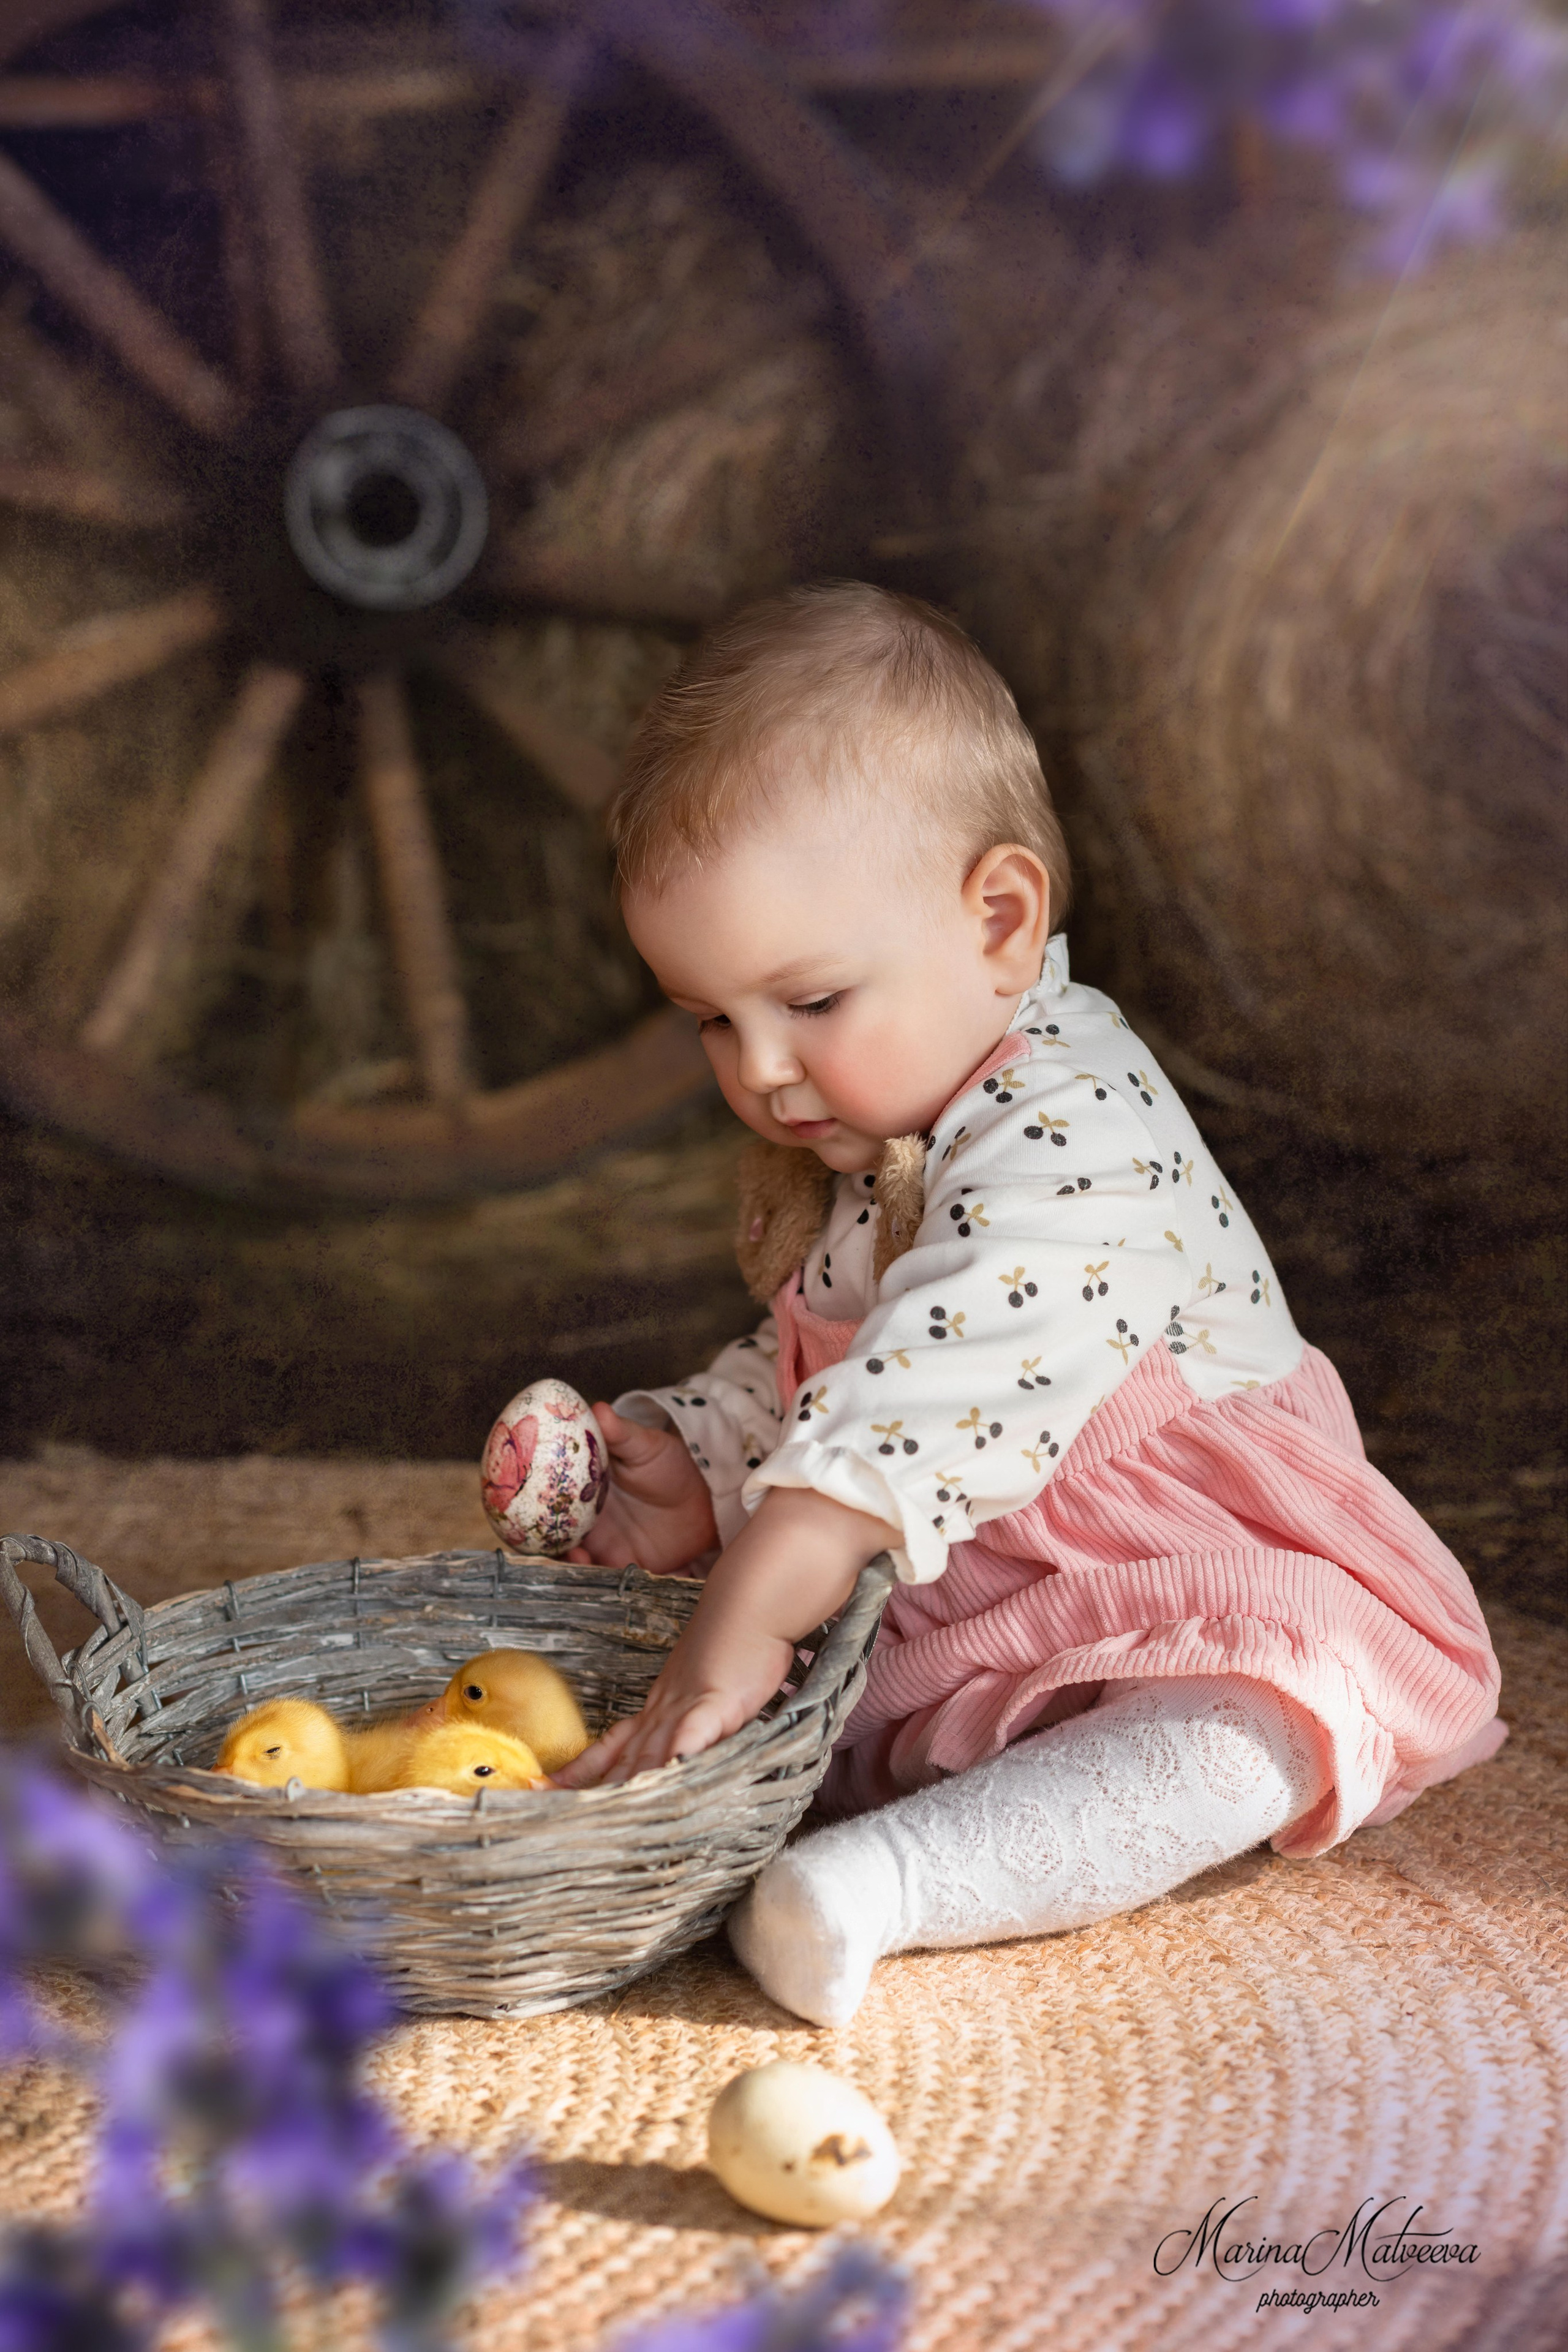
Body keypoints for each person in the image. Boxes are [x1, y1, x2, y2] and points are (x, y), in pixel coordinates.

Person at [554, 582, 1504, 2027]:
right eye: (710, 1020)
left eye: (807, 1002)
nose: (758, 1071)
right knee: (738, 1690)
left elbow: (938, 1376)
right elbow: (824, 1351)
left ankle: (886, 1889)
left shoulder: (1079, 1125)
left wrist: (761, 1585)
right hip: (966, 1602)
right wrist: (707, 1457)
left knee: (1269, 1708)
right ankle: (830, 1821)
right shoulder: (863, 1140)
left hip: (1185, 1568)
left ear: (998, 921)